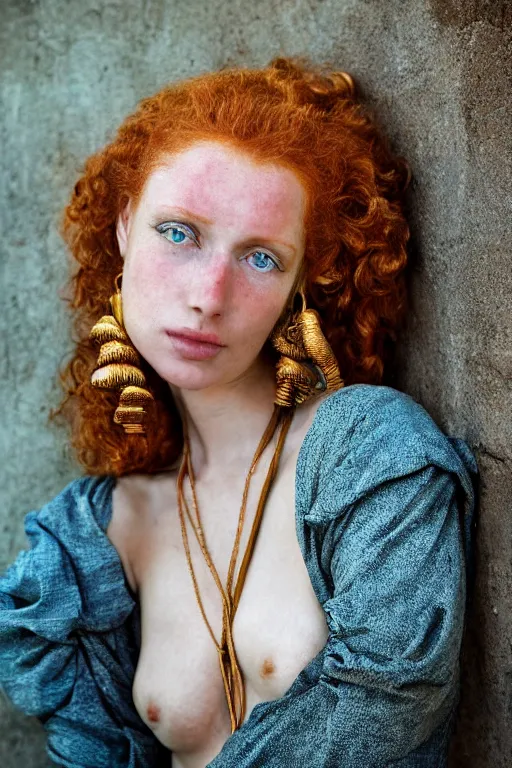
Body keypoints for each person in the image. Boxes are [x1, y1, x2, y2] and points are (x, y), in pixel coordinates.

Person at [0, 56, 477, 768]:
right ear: (126, 225)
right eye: (179, 233)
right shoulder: (98, 535)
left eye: (260, 258)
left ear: (301, 282)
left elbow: (389, 699)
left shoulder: (369, 457)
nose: (209, 295)